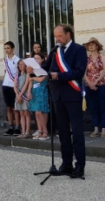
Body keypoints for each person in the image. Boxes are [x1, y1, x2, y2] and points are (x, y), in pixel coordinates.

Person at [35, 24, 88, 179]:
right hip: (57, 96)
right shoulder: (55, 51)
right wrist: (34, 68)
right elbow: (45, 68)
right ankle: (66, 164)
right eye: (55, 36)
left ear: (68, 34)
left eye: (59, 36)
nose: (57, 39)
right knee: (63, 133)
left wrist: (59, 76)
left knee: (77, 133)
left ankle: (80, 166)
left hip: (72, 96)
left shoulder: (79, 50)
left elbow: (79, 71)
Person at [83, 37, 105, 138]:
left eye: (93, 44)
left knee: (102, 106)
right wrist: (90, 83)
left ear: (97, 46)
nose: (91, 46)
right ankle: (95, 128)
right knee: (93, 107)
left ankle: (103, 129)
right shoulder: (86, 59)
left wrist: (96, 82)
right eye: (89, 44)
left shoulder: (102, 56)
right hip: (89, 85)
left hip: (101, 84)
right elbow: (84, 73)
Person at [27, 54, 49, 140]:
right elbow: (29, 82)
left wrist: (32, 78)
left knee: (40, 112)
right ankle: (40, 130)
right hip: (35, 92)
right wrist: (29, 92)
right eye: (34, 58)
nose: (36, 60)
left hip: (42, 92)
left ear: (42, 59)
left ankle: (45, 131)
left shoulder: (43, 69)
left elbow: (41, 79)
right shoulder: (32, 70)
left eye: (38, 58)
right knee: (36, 112)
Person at [2, 41, 21, 136]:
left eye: (8, 48)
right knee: (8, 107)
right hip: (5, 85)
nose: (6, 50)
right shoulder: (4, 60)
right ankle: (10, 126)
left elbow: (18, 73)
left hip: (13, 86)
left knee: (15, 108)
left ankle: (17, 126)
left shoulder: (17, 59)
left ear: (13, 49)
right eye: (5, 48)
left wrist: (16, 86)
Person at [14, 59, 31, 139]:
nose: (21, 66)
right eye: (19, 64)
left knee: (26, 113)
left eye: (22, 64)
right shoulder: (17, 74)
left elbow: (26, 85)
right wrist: (17, 95)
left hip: (24, 95)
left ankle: (27, 132)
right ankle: (23, 131)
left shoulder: (27, 74)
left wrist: (20, 94)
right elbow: (15, 86)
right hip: (18, 96)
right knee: (21, 114)